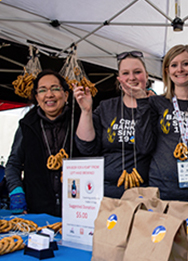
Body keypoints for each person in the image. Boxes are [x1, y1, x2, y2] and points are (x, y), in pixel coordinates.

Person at [135, 44, 188, 201]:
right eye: (174, 65)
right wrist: (141, 104)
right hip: (162, 190)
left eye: (186, 63)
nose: (180, 69)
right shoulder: (155, 103)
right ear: (167, 71)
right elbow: (143, 146)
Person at [74, 51, 152, 199]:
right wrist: (86, 111)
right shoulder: (106, 107)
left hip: (144, 192)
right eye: (125, 73)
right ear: (119, 78)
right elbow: (86, 148)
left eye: (137, 72)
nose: (132, 77)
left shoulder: (155, 106)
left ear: (146, 76)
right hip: (106, 192)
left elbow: (146, 147)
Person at [5, 69, 79, 217]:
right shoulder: (27, 125)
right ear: (37, 97)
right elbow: (13, 164)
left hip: (78, 209)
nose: (49, 95)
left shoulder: (80, 120)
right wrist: (16, 192)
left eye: (55, 89)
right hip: (37, 209)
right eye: (42, 90)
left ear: (66, 95)